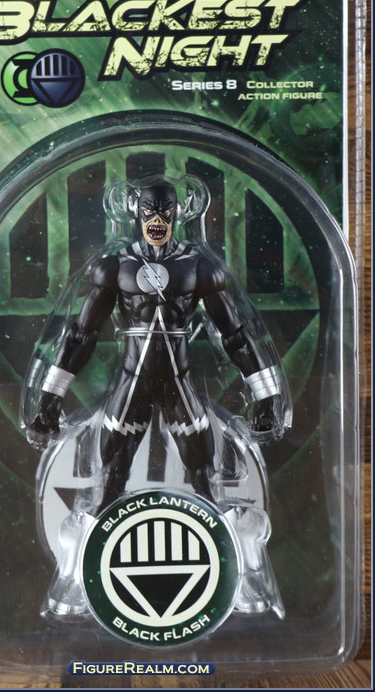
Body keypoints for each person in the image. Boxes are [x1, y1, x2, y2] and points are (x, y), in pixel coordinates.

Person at [27, 178, 283, 514]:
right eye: (149, 210)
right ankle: (103, 525)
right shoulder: (117, 266)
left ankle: (214, 526)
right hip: (134, 377)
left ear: (178, 212)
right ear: (136, 211)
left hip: (179, 379)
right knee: (113, 475)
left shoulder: (196, 266)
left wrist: (267, 396)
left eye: (165, 210)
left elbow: (235, 335)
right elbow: (80, 336)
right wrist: (49, 399)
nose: (157, 219)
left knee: (203, 476)